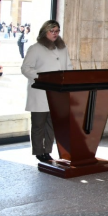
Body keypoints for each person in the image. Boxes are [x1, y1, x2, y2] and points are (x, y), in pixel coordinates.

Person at [21, 20, 73, 162]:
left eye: (57, 31)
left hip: (56, 94)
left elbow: (68, 66)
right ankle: (39, 151)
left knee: (51, 125)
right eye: (52, 31)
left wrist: (69, 80)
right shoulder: (35, 48)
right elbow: (25, 69)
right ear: (45, 32)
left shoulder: (63, 48)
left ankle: (47, 151)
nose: (55, 34)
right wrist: (42, 78)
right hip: (40, 93)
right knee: (38, 124)